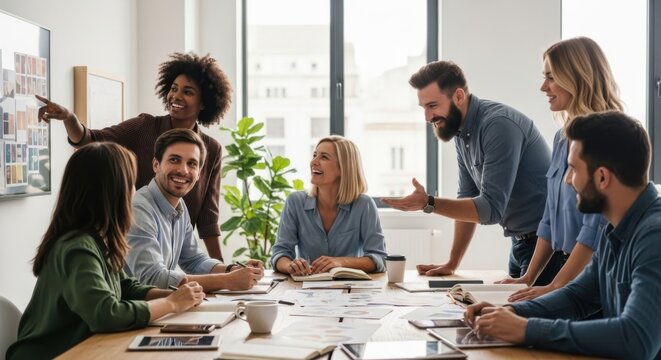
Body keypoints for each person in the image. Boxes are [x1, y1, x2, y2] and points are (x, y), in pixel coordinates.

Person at [464, 111, 661, 359]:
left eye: (573, 169)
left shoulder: (654, 237)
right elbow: (577, 296)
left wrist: (527, 329)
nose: (567, 180)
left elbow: (636, 339)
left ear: (602, 177)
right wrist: (511, 312)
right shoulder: (615, 228)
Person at [6, 142, 205, 359]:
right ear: (112, 192)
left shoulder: (98, 240)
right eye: (130, 184)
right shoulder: (77, 247)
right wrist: (171, 304)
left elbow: (126, 288)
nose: (134, 191)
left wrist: (176, 296)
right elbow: (105, 314)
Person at [35, 52, 231, 260]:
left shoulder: (211, 149)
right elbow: (92, 141)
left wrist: (225, 271)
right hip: (131, 247)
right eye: (173, 89)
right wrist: (70, 119)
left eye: (188, 92)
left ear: (204, 103)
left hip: (172, 253)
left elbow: (208, 220)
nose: (176, 96)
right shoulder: (143, 127)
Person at [382, 61, 555, 285]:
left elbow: (490, 209)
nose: (427, 117)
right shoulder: (462, 132)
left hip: (548, 247)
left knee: (520, 317)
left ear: (459, 96)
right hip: (520, 243)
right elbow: (467, 197)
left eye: (433, 105)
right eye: (423, 107)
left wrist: (429, 203)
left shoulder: (497, 125)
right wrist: (452, 263)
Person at [498, 37, 624, 301]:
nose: (544, 87)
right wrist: (529, 277)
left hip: (597, 276)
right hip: (566, 268)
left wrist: (556, 287)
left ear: (577, 77)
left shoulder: (608, 135)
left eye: (551, 77)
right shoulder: (561, 138)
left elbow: (594, 229)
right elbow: (549, 219)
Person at [124, 128, 263, 291]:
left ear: (198, 173)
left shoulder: (179, 206)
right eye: (174, 160)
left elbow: (194, 261)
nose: (183, 170)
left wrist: (232, 270)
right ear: (156, 165)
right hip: (133, 311)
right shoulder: (139, 207)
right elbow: (152, 278)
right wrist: (227, 281)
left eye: (192, 163)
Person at [271, 135, 387, 276]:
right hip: (306, 289)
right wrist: (291, 266)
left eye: (324, 157)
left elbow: (380, 258)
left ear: (344, 167)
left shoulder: (364, 205)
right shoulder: (295, 202)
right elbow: (280, 253)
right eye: (314, 155)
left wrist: (339, 262)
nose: (314, 161)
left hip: (350, 289)